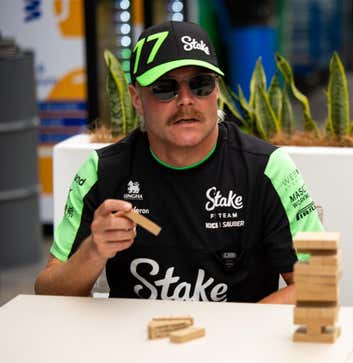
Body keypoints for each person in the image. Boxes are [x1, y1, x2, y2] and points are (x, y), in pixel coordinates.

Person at [34, 21, 323, 303]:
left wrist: (236, 334)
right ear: (136, 98)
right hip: (132, 347)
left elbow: (318, 281)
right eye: (165, 88)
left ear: (217, 90)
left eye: (200, 84)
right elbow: (47, 293)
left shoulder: (268, 167)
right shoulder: (102, 170)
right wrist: (93, 251)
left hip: (236, 349)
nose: (186, 100)